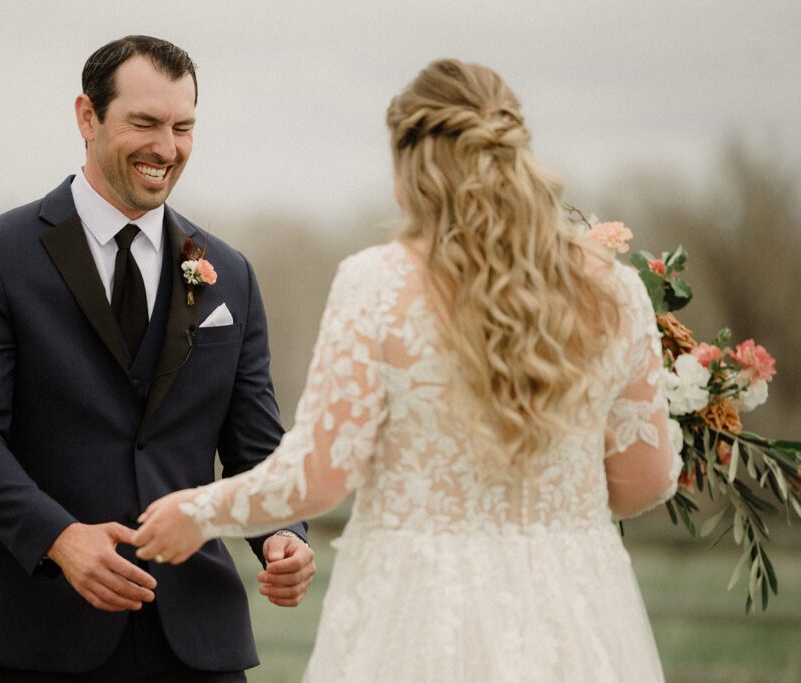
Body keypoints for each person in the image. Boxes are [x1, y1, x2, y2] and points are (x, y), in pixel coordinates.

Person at [132, 58, 682, 682]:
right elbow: (644, 481)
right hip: (574, 613)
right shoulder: (614, 289)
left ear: (411, 167)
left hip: (424, 611)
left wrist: (199, 511)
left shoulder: (379, 285)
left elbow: (320, 476)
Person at [0, 35, 315, 681]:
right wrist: (61, 539)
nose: (166, 148)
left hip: (199, 640)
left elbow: (254, 446)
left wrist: (284, 535)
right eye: (145, 123)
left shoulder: (230, 274)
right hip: (42, 633)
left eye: (182, 127)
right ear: (88, 116)